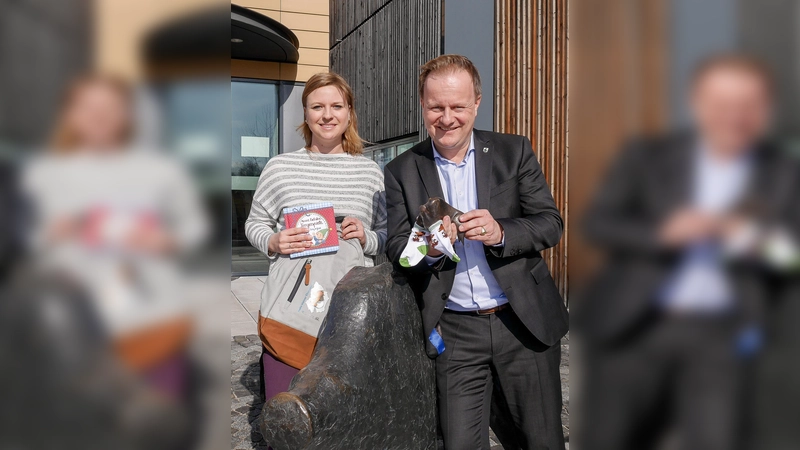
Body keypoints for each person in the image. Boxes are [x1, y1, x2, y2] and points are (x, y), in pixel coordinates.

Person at [575, 54, 800, 450]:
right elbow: (598, 223)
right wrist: (663, 235)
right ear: (697, 103)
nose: (735, 116)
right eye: (723, 104)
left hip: (723, 338)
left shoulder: (783, 173)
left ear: (765, 110)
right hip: (636, 328)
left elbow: (793, 256)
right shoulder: (647, 156)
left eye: (748, 105)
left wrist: (751, 238)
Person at [385, 55, 568, 450]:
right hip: (455, 331)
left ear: (477, 104)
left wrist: (501, 230)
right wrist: (432, 243)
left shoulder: (513, 151)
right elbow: (398, 249)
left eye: (458, 107)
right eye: (436, 107)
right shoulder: (401, 169)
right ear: (422, 105)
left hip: (522, 324)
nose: (447, 118)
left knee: (541, 441)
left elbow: (550, 222)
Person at [22, 74, 209, 400]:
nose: (99, 116)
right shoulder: (43, 174)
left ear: (127, 115)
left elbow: (195, 228)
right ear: (70, 115)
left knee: (154, 422)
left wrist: (167, 240)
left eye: (110, 107)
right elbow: (26, 243)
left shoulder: (161, 170)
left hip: (153, 323)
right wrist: (50, 234)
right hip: (75, 329)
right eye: (87, 107)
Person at [245, 72, 387, 401]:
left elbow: (387, 233)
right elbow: (255, 222)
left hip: (348, 314)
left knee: (342, 413)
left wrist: (367, 237)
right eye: (317, 106)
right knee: (286, 409)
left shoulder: (368, 172)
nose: (327, 115)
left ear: (349, 112)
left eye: (337, 106)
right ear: (305, 114)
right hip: (290, 312)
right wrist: (272, 242)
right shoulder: (280, 167)